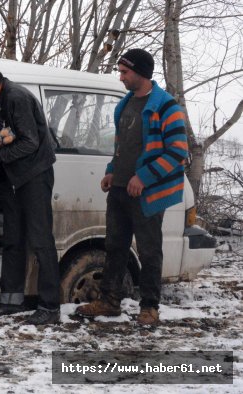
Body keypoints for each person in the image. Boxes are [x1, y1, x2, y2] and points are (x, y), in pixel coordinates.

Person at [75, 49, 189, 326]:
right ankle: (109, 302)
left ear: (140, 73)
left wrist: (144, 177)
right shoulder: (123, 105)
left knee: (149, 251)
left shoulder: (166, 107)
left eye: (125, 72)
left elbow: (178, 153)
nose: (121, 76)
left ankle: (150, 307)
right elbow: (121, 147)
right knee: (115, 246)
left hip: (148, 193)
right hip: (120, 191)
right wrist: (111, 172)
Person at [0, 61, 59, 325]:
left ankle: (50, 307)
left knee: (41, 241)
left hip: (34, 176)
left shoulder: (17, 97)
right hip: (13, 179)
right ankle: (10, 301)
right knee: (13, 238)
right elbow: (0, 135)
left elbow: (30, 142)